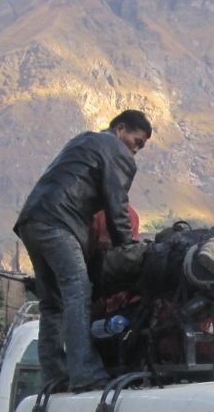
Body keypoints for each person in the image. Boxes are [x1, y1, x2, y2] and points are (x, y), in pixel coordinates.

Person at [13, 109, 152, 393]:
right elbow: (118, 204)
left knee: (53, 303)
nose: (136, 151)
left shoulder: (83, 141)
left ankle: (55, 375)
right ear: (121, 129)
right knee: (78, 288)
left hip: (32, 221)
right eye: (137, 142)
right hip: (59, 223)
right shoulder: (115, 149)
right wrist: (127, 248)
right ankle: (85, 372)